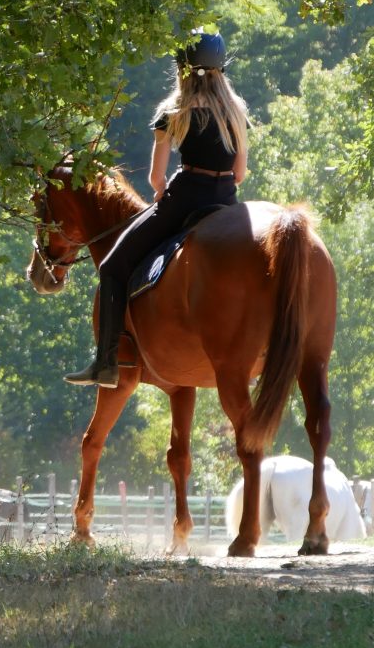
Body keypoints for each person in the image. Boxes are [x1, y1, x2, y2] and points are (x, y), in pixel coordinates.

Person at [65, 30, 249, 388]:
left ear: (182, 69)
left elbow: (155, 178)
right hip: (227, 203)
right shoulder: (237, 112)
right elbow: (239, 174)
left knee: (113, 266)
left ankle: (106, 362)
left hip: (184, 200)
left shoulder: (174, 113)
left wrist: (164, 191)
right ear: (220, 69)